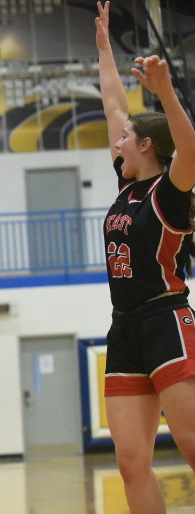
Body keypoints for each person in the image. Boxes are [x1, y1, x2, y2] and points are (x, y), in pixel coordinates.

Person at [95, 2, 195, 513]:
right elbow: (114, 102)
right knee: (131, 462)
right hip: (125, 328)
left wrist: (166, 93)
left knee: (193, 446)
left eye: (128, 136)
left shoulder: (170, 189)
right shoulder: (126, 182)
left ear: (148, 144)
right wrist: (104, 50)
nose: (118, 138)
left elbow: (189, 145)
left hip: (165, 318)